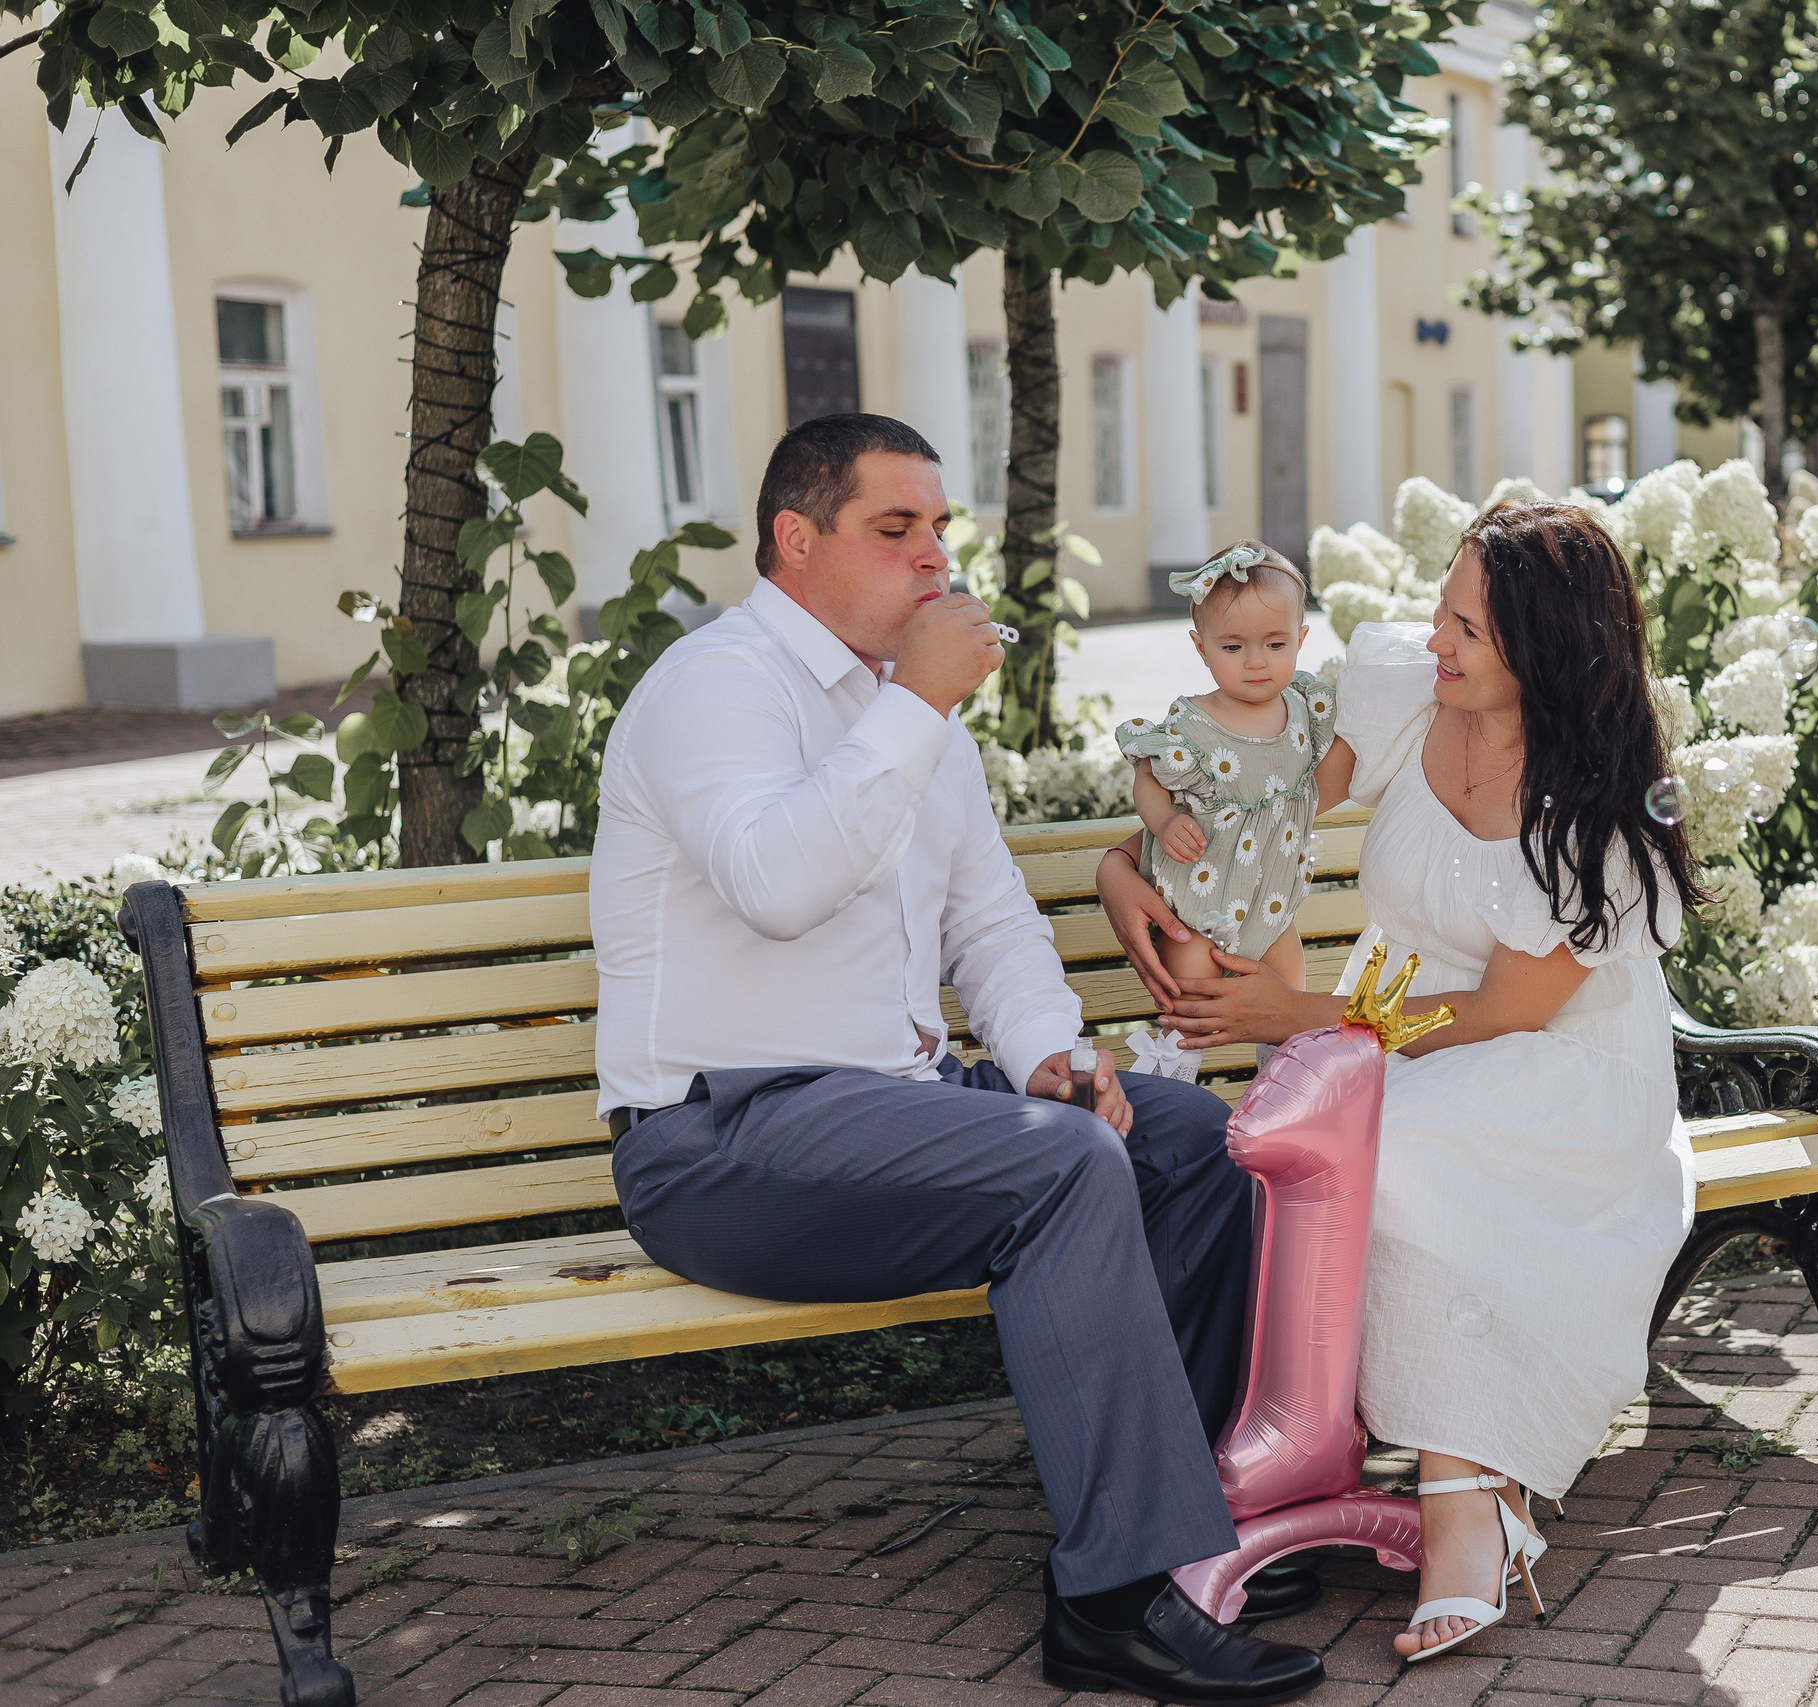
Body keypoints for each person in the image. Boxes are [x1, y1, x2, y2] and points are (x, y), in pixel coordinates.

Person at [592, 413, 1326, 1706]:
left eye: (942, 529)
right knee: (1063, 1170)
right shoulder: (717, 686)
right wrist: (920, 702)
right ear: (796, 538)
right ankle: (1114, 1601)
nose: (934, 557)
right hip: (719, 1138)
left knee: (1194, 1142)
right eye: (896, 530)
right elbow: (771, 881)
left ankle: (1200, 1530)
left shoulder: (917, 725)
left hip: (895, 1102)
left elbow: (988, 923)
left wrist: (1053, 1056)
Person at [1097, 501, 1705, 1663]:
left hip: (1553, 1069)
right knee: (1360, 1147)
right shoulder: (1397, 693)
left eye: (1469, 628)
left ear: (1549, 647)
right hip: (1390, 1034)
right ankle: (1387, 1472)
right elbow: (1252, 820)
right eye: (1440, 608)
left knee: (1395, 1158)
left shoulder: (1597, 813)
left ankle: (1460, 1500)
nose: (1437, 640)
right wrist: (1124, 869)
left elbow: (1502, 1014)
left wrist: (1296, 1016)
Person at [1114, 542, 1338, 1080]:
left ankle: (1284, 1093)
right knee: (1192, 1010)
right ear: (1201, 647)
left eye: (1275, 643)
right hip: (1200, 908)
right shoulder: (1193, 725)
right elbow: (1148, 777)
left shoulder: (1307, 709)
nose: (1256, 661)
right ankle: (1173, 1086)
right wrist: (1164, 821)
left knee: (1292, 1009)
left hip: (1272, 905)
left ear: (1302, 640)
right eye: (1233, 646)